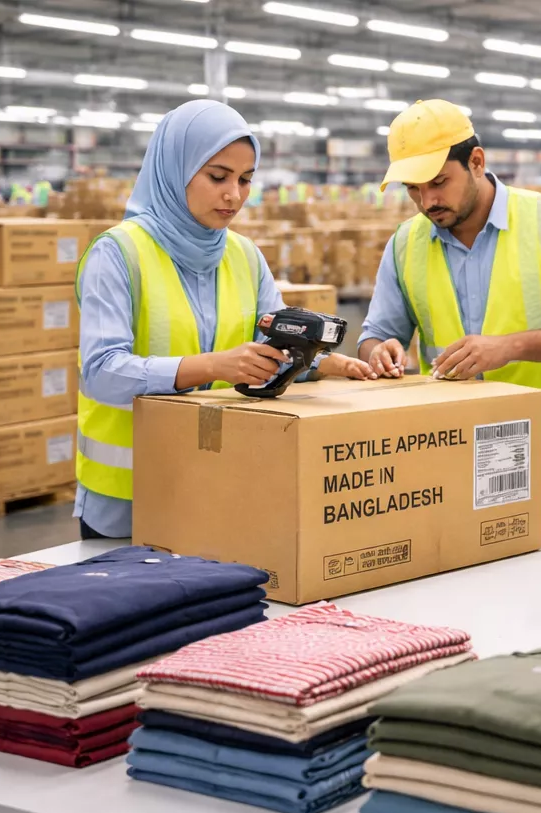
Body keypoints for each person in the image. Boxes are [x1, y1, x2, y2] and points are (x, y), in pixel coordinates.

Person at [73, 99, 374, 541]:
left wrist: (322, 363)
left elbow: (264, 352)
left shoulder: (245, 256)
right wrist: (212, 366)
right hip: (128, 500)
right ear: (176, 169)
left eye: (245, 179)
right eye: (217, 177)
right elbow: (100, 373)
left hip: (221, 484)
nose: (234, 194)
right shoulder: (118, 254)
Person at [357, 99, 541, 534]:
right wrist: (379, 352)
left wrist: (512, 345)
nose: (427, 201)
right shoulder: (405, 244)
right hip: (452, 455)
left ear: (476, 161)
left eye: (437, 182)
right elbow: (375, 334)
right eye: (412, 189)